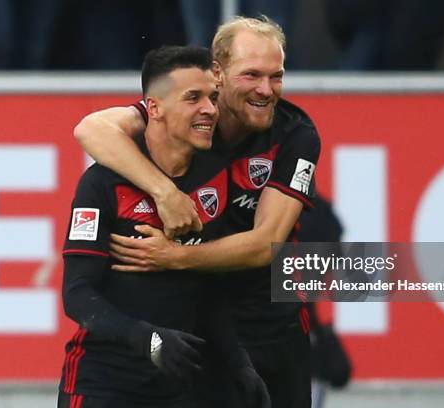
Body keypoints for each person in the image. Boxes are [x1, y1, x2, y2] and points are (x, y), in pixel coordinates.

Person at [74, 16, 320, 408]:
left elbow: (264, 245)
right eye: (252, 75)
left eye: (277, 77)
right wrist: (166, 193)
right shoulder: (194, 116)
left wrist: (176, 257)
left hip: (273, 324)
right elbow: (91, 129)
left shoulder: (295, 134)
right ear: (218, 73)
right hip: (205, 328)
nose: (266, 89)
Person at [59, 45, 269, 408]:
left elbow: (209, 291)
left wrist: (239, 365)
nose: (210, 109)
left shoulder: (216, 177)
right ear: (153, 109)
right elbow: (77, 295)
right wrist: (146, 338)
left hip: (181, 387)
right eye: (193, 98)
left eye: (213, 97)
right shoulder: (103, 183)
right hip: (104, 384)